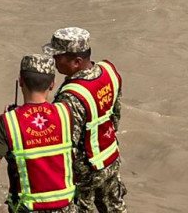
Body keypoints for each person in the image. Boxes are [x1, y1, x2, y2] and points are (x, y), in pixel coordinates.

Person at [0, 54, 76, 213]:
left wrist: (5, 125)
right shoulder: (65, 112)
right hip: (65, 206)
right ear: (52, 84)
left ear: (21, 81)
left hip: (28, 208)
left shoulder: (10, 121)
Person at [44, 28, 127, 213]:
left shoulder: (72, 96)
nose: (54, 60)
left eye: (58, 56)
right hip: (110, 156)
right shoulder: (109, 71)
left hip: (86, 171)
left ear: (77, 62)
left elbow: (67, 144)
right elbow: (116, 114)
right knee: (115, 208)